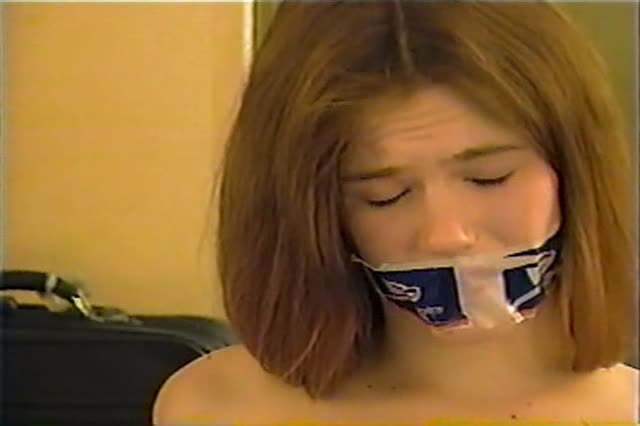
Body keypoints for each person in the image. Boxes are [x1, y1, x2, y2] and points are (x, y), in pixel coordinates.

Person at [153, 1, 638, 424]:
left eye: (490, 177)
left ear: (576, 173)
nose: (446, 234)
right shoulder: (213, 408)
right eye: (384, 195)